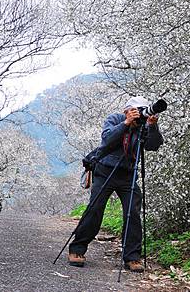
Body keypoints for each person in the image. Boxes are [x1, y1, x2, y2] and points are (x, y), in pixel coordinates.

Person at [68, 96, 164, 272]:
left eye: (143, 110)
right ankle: (77, 249)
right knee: (95, 209)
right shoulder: (115, 119)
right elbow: (107, 140)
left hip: (128, 175)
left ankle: (132, 257)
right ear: (127, 110)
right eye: (137, 110)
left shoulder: (144, 125)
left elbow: (153, 145)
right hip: (105, 170)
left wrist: (152, 125)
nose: (140, 114)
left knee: (132, 213)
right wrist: (126, 123)